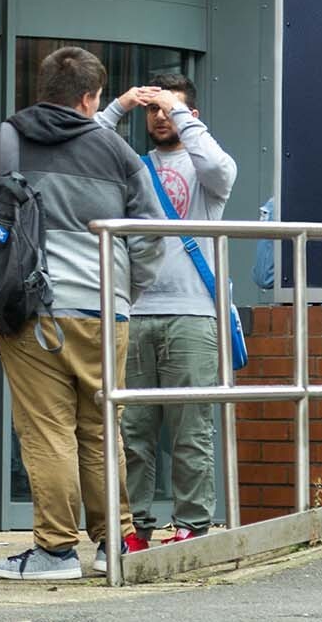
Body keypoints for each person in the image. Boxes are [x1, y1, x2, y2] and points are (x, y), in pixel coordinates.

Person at [0, 46, 162, 582]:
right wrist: (123, 294)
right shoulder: (119, 152)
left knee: (48, 431)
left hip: (30, 313)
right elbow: (151, 238)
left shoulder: (1, 142)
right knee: (102, 430)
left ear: (43, 89)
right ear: (91, 98)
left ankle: (53, 552)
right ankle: (114, 543)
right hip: (105, 312)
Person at [97, 73, 236, 547]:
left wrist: (177, 109)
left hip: (194, 311)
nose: (158, 116)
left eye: (169, 109)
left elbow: (222, 168)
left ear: (191, 116)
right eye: (152, 109)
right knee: (132, 431)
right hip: (135, 310)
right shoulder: (135, 165)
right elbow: (88, 145)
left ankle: (191, 528)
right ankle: (134, 529)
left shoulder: (205, 170)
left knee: (190, 429)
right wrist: (118, 107)